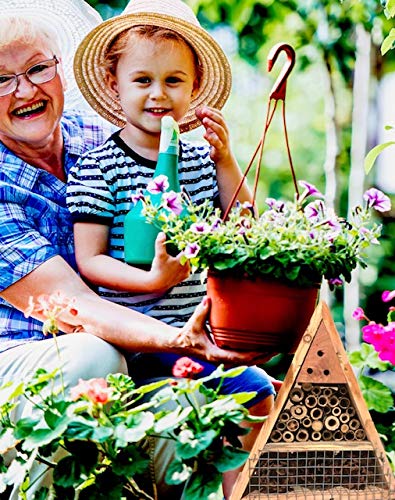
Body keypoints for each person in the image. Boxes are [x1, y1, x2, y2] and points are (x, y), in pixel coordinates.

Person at [0, 2, 276, 498]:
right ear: (115, 85)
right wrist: (176, 334)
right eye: (0, 79)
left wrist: (222, 160)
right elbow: (72, 307)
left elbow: (239, 223)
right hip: (28, 357)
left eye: (38, 68)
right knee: (92, 356)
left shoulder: (102, 142)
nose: (25, 89)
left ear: (60, 72)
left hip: (148, 341)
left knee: (236, 400)